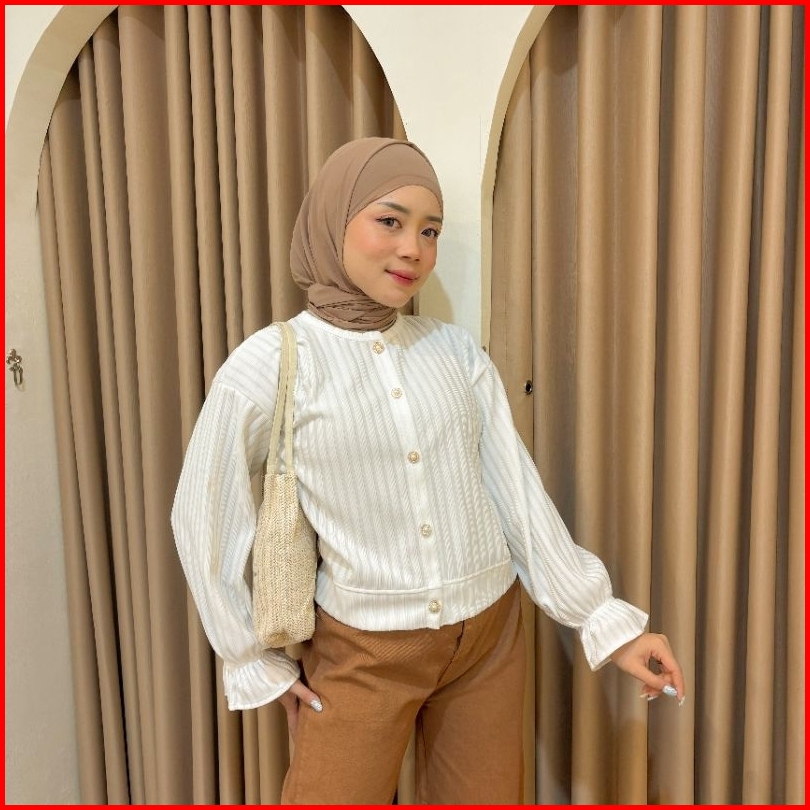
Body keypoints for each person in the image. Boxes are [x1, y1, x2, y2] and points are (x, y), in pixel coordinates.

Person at [171, 136, 686, 805]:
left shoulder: (453, 351)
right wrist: (252, 659)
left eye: (430, 230)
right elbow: (203, 513)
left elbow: (515, 494)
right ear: (333, 220)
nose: (413, 248)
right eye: (390, 221)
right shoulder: (269, 362)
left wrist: (605, 622)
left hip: (488, 639)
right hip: (363, 651)